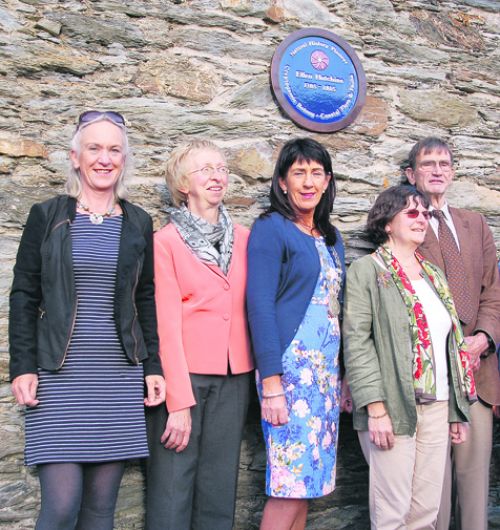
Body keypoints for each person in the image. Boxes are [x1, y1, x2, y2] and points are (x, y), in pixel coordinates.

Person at [9, 110, 166, 530]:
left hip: (117, 378)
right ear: (75, 157)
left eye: (114, 150)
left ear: (124, 160)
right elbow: (24, 294)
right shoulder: (48, 215)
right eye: (94, 148)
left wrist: (152, 366)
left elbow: (145, 299)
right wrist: (22, 366)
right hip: (59, 376)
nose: (104, 158)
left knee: (100, 512)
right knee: (60, 509)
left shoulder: (138, 222)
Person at [343, 185, 476, 530]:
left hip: (436, 406)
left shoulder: (433, 274)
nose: (422, 219)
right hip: (393, 406)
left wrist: (455, 410)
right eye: (412, 212)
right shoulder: (366, 271)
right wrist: (375, 409)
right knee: (392, 513)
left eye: (426, 213)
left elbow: (447, 346)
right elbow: (357, 343)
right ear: (388, 222)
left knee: (425, 514)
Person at [146, 139, 254, 530]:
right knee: (172, 490)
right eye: (205, 169)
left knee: (218, 489)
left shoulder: (245, 238)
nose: (217, 176)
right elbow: (166, 325)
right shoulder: (164, 243)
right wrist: (177, 401)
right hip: (185, 378)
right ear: (182, 184)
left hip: (234, 375)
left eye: (222, 168)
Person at [247, 137, 346, 530]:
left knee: (307, 484)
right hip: (289, 376)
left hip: (323, 379)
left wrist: (343, 379)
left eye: (316, 173)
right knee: (289, 484)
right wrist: (271, 382)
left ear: (327, 181)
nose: (308, 182)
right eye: (298, 173)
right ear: (283, 182)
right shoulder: (272, 228)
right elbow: (259, 306)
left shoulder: (331, 237)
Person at [405, 137, 500, 530]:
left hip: (477, 371)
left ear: (454, 171)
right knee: (433, 491)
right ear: (411, 174)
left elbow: (493, 290)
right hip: (432, 376)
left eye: (444, 163)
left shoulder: (475, 224)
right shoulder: (405, 222)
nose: (437, 170)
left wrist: (484, 338)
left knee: (474, 484)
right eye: (427, 164)